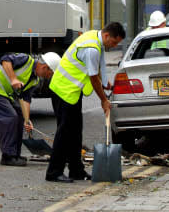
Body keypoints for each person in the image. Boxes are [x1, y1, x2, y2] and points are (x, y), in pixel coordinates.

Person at [45, 22, 125, 183]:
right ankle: (53, 172)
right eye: (114, 42)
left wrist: (105, 82)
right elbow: (93, 77)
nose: (114, 46)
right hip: (63, 90)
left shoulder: (96, 39)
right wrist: (103, 100)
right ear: (107, 35)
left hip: (72, 92)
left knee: (75, 132)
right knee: (64, 133)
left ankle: (76, 170)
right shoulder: (92, 48)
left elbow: (100, 67)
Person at [0, 52, 61, 166]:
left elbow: (26, 100)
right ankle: (7, 156)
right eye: (50, 73)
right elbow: (5, 59)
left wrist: (27, 120)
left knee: (19, 116)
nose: (49, 76)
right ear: (45, 67)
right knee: (9, 117)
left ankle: (15, 154)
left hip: (2, 92)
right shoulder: (26, 60)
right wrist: (13, 79)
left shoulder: (34, 81)